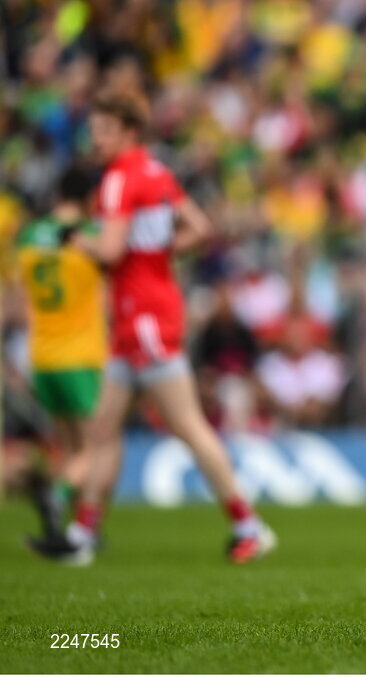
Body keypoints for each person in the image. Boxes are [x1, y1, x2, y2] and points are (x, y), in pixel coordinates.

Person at [29, 89, 275, 566]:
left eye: (103, 130)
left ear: (128, 132)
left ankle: (249, 525)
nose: (94, 139)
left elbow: (111, 252)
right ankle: (82, 537)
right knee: (103, 429)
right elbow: (199, 228)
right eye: (94, 129)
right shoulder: (157, 172)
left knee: (186, 425)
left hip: (141, 318)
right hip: (145, 312)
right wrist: (157, 254)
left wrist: (73, 237)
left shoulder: (119, 179)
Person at [15, 165, 110, 540]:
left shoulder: (30, 236)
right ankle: (59, 499)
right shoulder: (89, 237)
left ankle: (68, 528)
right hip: (81, 354)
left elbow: (22, 300)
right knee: (95, 449)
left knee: (69, 449)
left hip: (42, 354)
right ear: (89, 199)